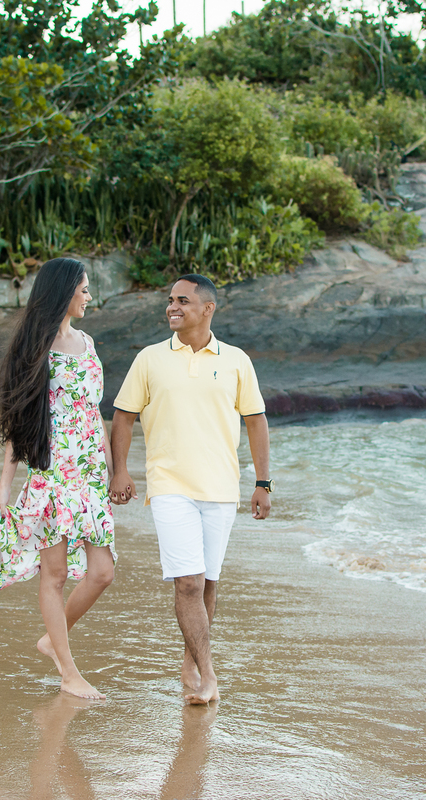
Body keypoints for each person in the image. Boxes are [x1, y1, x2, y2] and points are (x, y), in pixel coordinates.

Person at [108, 274, 272, 706]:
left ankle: (190, 658)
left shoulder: (236, 360)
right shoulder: (149, 358)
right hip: (169, 487)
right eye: (169, 301)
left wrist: (262, 482)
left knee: (207, 583)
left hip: (220, 488)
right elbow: (123, 416)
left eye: (182, 301)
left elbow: (256, 420)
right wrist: (119, 471)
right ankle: (209, 675)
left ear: (207, 309)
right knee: (187, 584)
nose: (171, 307)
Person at [0, 257, 116, 701]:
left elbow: (95, 413)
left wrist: (112, 471)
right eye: (84, 289)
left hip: (89, 476)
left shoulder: (87, 342)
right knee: (53, 575)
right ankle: (68, 672)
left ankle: (53, 639)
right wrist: (4, 489)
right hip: (53, 474)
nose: (89, 297)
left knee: (103, 572)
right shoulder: (36, 349)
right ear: (65, 292)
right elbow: (20, 424)